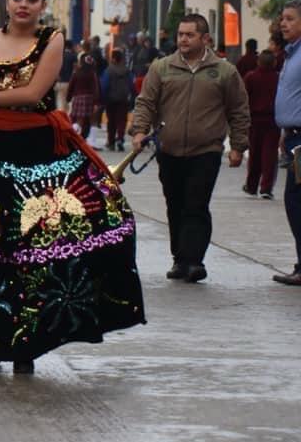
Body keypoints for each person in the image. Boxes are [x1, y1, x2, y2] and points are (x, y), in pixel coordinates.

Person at [0, 0, 144, 374]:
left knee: (36, 250)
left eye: (31, 0)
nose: (23, 5)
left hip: (37, 154)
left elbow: (35, 92)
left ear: (42, 5)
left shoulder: (51, 41)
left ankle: (27, 346)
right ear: (7, 0)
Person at [130, 14, 250, 283]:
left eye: (189, 35)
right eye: (180, 34)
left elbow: (238, 110)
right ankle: (179, 259)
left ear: (205, 39)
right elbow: (146, 102)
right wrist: (139, 131)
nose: (183, 39)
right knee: (175, 205)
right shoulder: (162, 68)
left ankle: (194, 261)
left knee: (196, 204)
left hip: (206, 150)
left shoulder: (224, 71)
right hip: (169, 150)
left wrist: (238, 146)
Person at [273, 0, 301, 285]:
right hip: (294, 137)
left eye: (290, 19)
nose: (284, 23)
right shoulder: (291, 54)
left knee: (296, 199)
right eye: (283, 18)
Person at [242, 50, 279, 200]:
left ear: (259, 62)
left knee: (254, 153)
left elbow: (244, 98)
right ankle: (266, 187)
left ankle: (251, 186)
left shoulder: (251, 77)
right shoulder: (278, 78)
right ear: (274, 63)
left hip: (254, 120)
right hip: (272, 120)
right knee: (269, 155)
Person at [103, 48, 132, 152]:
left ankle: (111, 142)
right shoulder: (126, 70)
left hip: (110, 99)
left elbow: (105, 85)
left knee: (111, 121)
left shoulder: (109, 70)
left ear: (113, 59)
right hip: (123, 99)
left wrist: (103, 97)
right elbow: (131, 84)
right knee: (121, 121)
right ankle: (120, 138)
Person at [66, 53, 100, 140]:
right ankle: (92, 140)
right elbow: (95, 88)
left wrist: (68, 98)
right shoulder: (92, 73)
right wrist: (96, 102)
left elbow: (71, 86)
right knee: (93, 120)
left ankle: (72, 137)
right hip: (89, 98)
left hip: (77, 98)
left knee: (78, 120)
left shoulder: (76, 72)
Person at [56, 38, 77, 111]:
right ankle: (68, 119)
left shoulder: (60, 55)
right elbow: (75, 69)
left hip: (59, 82)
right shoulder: (73, 56)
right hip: (69, 81)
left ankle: (60, 118)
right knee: (69, 101)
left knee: (60, 101)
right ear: (71, 46)